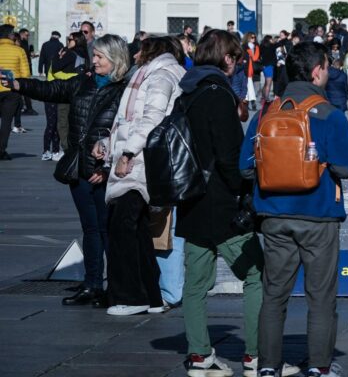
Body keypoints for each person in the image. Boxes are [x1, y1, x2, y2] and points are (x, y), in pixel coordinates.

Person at [177, 31, 299, 377]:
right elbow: (231, 157)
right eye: (236, 58)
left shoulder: (187, 90)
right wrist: (245, 190)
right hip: (221, 202)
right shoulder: (217, 94)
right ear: (226, 58)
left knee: (196, 283)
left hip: (191, 197)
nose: (237, 65)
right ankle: (256, 356)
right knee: (256, 275)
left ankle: (199, 356)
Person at [239, 42, 348, 377]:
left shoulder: (266, 112)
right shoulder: (329, 113)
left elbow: (245, 168)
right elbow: (347, 167)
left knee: (273, 295)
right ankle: (319, 366)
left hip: (274, 216)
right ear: (317, 70)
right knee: (320, 297)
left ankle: (267, 367)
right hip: (318, 215)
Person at [1, 33, 127, 308]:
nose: (93, 61)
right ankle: (93, 284)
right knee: (90, 228)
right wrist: (17, 83)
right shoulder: (84, 81)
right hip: (79, 166)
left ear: (115, 59)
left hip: (107, 169)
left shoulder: (125, 90)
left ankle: (115, 287)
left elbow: (127, 132)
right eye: (94, 56)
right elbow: (53, 90)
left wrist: (107, 168)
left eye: (99, 57)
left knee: (107, 230)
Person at [100, 36, 186, 315]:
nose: (135, 55)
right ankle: (150, 296)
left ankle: (131, 297)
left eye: (141, 50)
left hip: (141, 164)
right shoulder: (154, 74)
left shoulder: (159, 76)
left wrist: (127, 153)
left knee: (123, 227)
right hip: (140, 161)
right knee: (136, 230)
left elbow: (151, 118)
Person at [0, 23, 33, 159]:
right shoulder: (19, 51)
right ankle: (1, 150)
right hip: (12, 90)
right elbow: (26, 74)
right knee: (7, 121)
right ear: (10, 35)